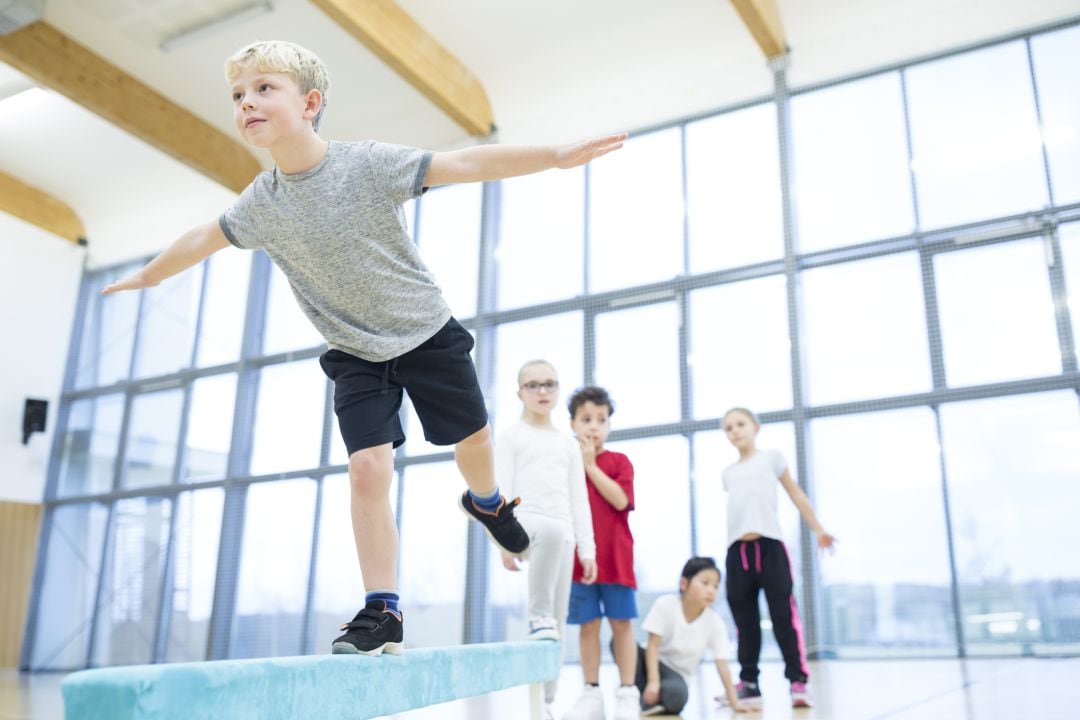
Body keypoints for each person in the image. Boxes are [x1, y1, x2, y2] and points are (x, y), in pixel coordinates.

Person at [101, 39, 625, 657]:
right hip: (353, 350)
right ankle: (383, 610)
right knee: (367, 470)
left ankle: (487, 505)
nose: (247, 103)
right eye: (238, 95)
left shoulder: (366, 164)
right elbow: (201, 238)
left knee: (474, 443)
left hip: (425, 331)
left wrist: (554, 155)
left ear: (311, 102)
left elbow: (462, 163)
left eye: (264, 88)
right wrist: (151, 276)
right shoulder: (262, 203)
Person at [495, 360, 597, 718]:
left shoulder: (567, 444)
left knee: (557, 623)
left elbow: (578, 498)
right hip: (525, 528)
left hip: (563, 535)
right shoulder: (509, 438)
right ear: (519, 392)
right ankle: (538, 616)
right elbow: (500, 494)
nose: (542, 391)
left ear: (557, 390)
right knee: (545, 617)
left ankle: (546, 702)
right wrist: (503, 544)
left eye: (549, 385)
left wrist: (587, 548)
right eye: (533, 385)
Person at [721, 407, 835, 709]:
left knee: (784, 617)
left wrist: (819, 529)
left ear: (755, 426)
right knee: (744, 623)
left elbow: (796, 494)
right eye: (728, 428)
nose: (735, 431)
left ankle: (798, 682)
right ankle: (749, 684)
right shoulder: (728, 473)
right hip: (737, 552)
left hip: (770, 549)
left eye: (740, 424)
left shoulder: (772, 458)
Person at [562, 386, 640, 720]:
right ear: (573, 423)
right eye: (586, 419)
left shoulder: (619, 462)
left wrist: (591, 466)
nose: (593, 426)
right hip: (578, 561)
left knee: (622, 624)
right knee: (588, 625)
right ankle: (591, 692)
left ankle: (626, 692)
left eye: (601, 420)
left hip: (616, 558)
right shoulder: (564, 464)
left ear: (609, 424)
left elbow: (621, 501)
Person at [637, 557, 749, 715]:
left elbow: (722, 665)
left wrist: (735, 702)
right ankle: (641, 696)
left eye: (716, 586)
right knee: (622, 646)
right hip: (650, 662)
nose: (711, 590)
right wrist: (654, 682)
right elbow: (652, 645)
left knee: (677, 696)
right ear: (684, 584)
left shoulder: (715, 622)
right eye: (705, 583)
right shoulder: (665, 604)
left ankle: (648, 701)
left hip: (676, 675)